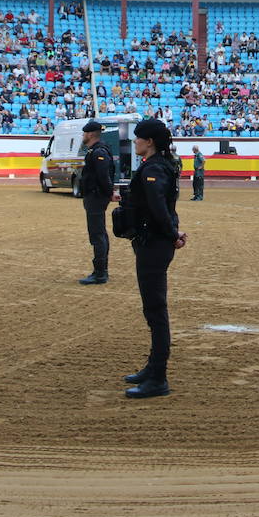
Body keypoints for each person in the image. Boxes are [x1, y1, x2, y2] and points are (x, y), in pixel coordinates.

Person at [121, 118, 187, 398]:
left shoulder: (155, 167)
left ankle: (158, 376)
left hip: (154, 244)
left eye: (138, 138)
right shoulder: (157, 165)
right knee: (153, 309)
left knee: (155, 309)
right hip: (154, 241)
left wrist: (172, 233)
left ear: (149, 142)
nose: (134, 142)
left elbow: (159, 207)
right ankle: (153, 368)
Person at [78, 120, 116, 285]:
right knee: (99, 233)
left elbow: (103, 176)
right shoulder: (97, 150)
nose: (83, 136)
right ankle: (101, 270)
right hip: (96, 196)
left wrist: (109, 193)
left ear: (90, 134)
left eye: (84, 133)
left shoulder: (98, 151)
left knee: (97, 234)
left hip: (95, 197)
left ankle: (100, 273)